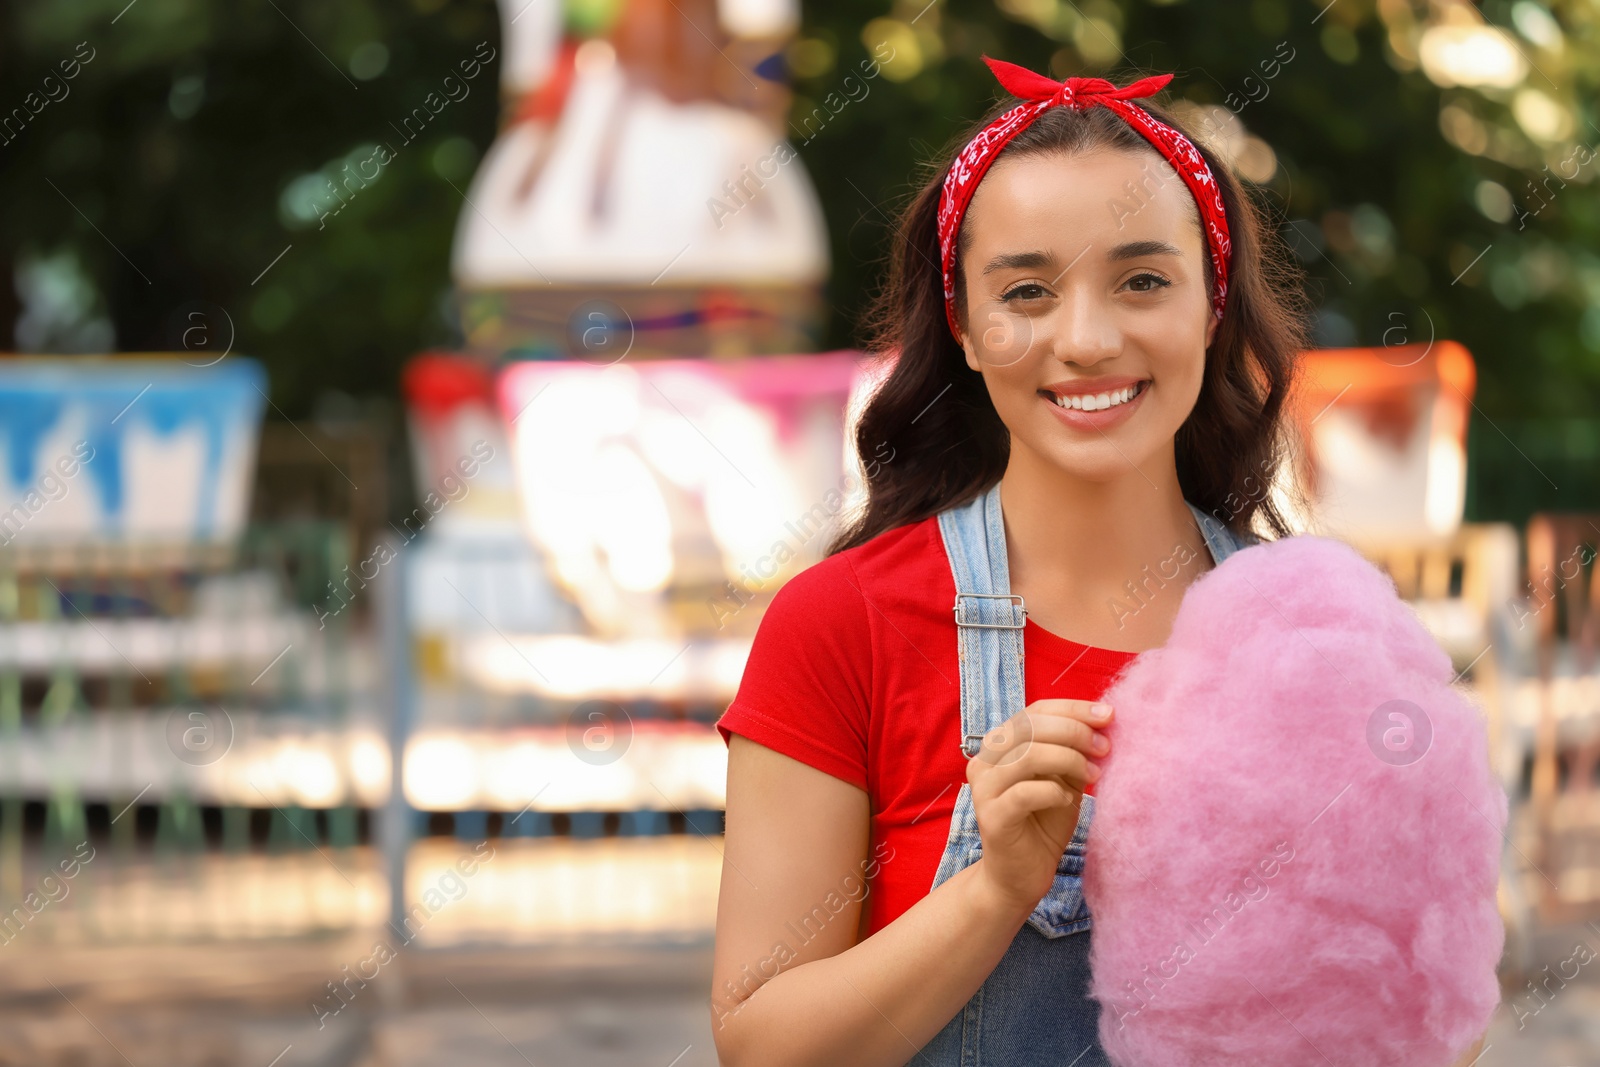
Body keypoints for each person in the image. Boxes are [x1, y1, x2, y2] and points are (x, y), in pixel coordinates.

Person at [709, 58, 1486, 1066]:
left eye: (1142, 280)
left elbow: (1424, 1024)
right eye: (1026, 289)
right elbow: (762, 1047)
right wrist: (995, 889)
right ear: (964, 325)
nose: (1085, 337)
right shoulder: (839, 625)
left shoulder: (1319, 646)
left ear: (1211, 306)